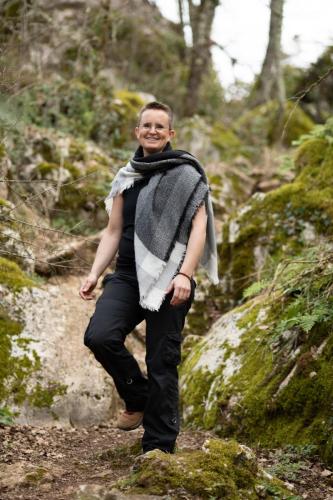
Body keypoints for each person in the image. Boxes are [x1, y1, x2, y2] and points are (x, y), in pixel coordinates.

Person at [80, 101, 218, 455]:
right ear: (137, 132)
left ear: (171, 133)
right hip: (127, 275)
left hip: (172, 278)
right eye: (147, 126)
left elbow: (199, 228)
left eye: (160, 126)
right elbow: (113, 231)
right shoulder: (127, 176)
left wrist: (185, 274)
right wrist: (95, 273)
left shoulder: (187, 174)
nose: (153, 131)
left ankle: (158, 447)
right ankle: (137, 396)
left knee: (161, 360)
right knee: (100, 336)